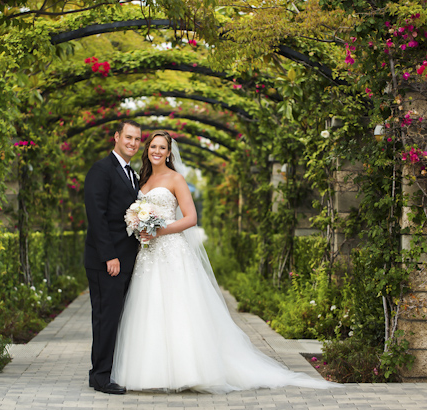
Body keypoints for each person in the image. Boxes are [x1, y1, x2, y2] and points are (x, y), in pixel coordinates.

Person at [110, 131, 339, 393]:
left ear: (169, 152)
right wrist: (140, 225)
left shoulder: (176, 179)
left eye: (163, 147)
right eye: (153, 146)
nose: (157, 151)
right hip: (148, 254)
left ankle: (189, 370)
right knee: (149, 309)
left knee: (178, 308)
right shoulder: (142, 179)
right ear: (147, 150)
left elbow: (191, 218)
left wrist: (159, 230)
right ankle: (151, 373)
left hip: (171, 251)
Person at [83, 120, 142, 394]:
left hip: (127, 259)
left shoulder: (132, 173)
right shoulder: (101, 170)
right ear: (116, 137)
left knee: (116, 316)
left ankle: (107, 370)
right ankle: (100, 376)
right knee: (106, 317)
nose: (132, 143)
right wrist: (109, 256)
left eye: (137, 139)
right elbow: (97, 216)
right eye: (128, 137)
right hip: (107, 261)